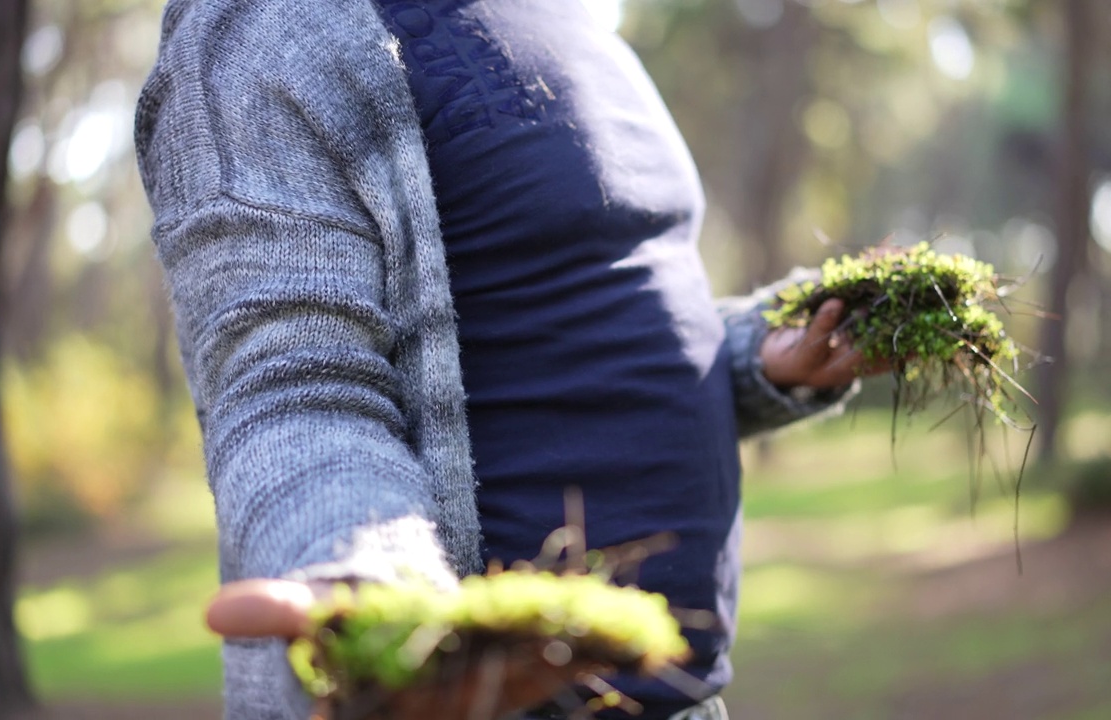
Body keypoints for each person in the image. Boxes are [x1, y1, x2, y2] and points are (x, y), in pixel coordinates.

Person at [135, 1, 884, 718]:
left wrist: (758, 357)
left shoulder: (572, 14)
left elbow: (586, 316)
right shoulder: (262, 28)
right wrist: (378, 589)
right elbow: (290, 388)